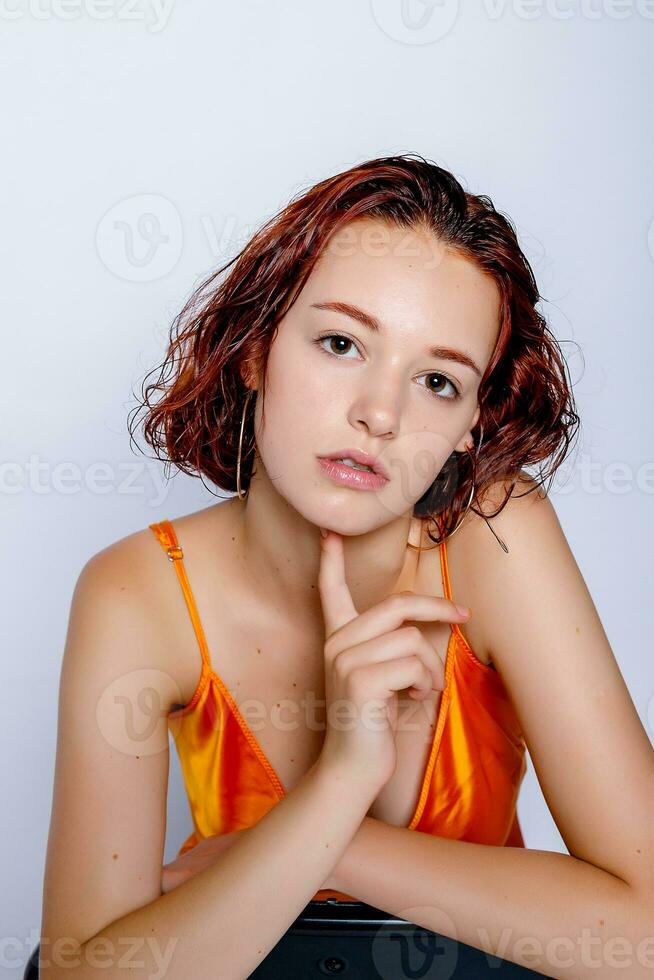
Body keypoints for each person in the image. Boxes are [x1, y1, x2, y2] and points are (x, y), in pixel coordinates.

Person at [39, 154, 654, 979]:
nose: (380, 414)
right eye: (341, 343)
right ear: (255, 349)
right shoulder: (136, 592)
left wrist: (338, 852)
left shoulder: (496, 536)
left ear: (472, 423)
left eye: (437, 381)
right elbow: (82, 972)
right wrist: (341, 781)